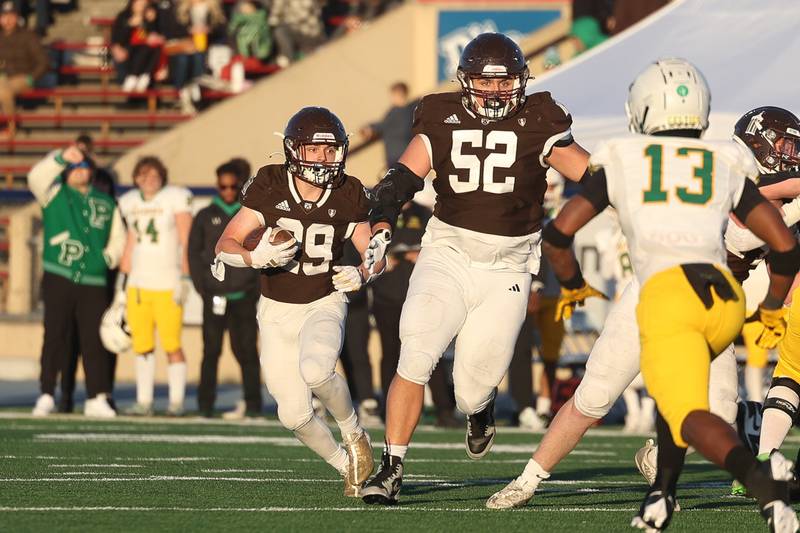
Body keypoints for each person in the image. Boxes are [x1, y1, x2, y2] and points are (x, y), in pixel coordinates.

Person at [485, 102, 800, 511]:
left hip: (711, 308)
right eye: (789, 149)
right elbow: (747, 211)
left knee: (721, 411)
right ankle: (527, 480)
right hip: (655, 294)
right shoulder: (727, 171)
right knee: (594, 397)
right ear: (763, 145)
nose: (794, 158)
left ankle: (657, 456)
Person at [359, 33, 591, 505]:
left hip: (509, 265)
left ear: (519, 81)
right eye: (484, 80)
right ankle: (392, 467)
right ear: (466, 81)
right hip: (447, 253)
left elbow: (593, 177)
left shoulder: (541, 117)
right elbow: (403, 176)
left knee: (470, 389)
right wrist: (381, 216)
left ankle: (478, 409)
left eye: (503, 80)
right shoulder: (439, 115)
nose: (493, 90)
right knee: (416, 350)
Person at [213, 106, 382, 496]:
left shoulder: (349, 191)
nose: (324, 158)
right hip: (275, 311)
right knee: (291, 414)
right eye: (314, 149)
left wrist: (362, 272)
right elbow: (226, 243)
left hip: (323, 300)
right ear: (293, 150)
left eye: (330, 149)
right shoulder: (270, 185)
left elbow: (374, 251)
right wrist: (255, 257)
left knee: (317, 370)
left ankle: (356, 435)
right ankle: (348, 465)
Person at [28, 144, 126, 418]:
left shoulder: (106, 202)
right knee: (55, 336)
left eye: (84, 167)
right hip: (59, 274)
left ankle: (97, 395)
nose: (79, 172)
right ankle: (47, 392)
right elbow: (35, 177)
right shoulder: (54, 193)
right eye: (74, 168)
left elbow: (119, 236)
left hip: (93, 279)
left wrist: (107, 259)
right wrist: (60, 158)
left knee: (94, 340)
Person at [370, 200, 459, 428]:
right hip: (386, 296)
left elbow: (436, 245)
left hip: (419, 295)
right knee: (390, 355)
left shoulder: (425, 213)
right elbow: (372, 247)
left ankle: (444, 409)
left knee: (429, 354)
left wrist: (414, 253)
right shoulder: (380, 211)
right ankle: (387, 409)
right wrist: (395, 256)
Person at [118, 156, 193, 416]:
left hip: (167, 282)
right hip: (138, 284)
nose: (148, 180)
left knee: (172, 343)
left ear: (162, 176)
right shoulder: (129, 202)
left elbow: (187, 239)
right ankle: (144, 400)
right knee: (142, 345)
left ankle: (176, 401)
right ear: (136, 177)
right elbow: (130, 243)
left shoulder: (175, 197)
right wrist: (121, 283)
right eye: (143, 175)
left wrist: (185, 277)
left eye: (154, 175)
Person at [188, 159, 262, 418]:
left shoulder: (250, 216)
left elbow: (261, 252)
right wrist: (204, 287)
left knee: (247, 351)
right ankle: (205, 404)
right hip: (215, 296)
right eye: (224, 186)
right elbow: (194, 255)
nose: (229, 191)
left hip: (243, 296)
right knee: (211, 351)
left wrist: (254, 289)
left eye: (234, 186)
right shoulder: (206, 216)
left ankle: (253, 404)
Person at [0, 1, 48, 134]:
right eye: (4, 16)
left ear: (17, 17)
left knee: (3, 91)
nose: (7, 20)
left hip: (22, 78)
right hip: (2, 78)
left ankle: (11, 127)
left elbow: (43, 62)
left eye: (11, 16)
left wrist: (31, 78)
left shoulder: (28, 36)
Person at [111, 0, 165, 92]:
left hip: (146, 52)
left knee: (153, 48)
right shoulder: (124, 16)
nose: (141, 7)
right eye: (139, 4)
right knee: (144, 49)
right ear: (132, 4)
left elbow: (157, 34)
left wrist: (151, 22)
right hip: (128, 49)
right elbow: (117, 39)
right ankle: (138, 76)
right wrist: (130, 25)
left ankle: (141, 76)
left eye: (144, 5)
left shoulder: (149, 17)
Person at [360, 82, 417, 168]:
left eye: (393, 95)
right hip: (407, 155)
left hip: (396, 156)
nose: (391, 99)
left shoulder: (396, 112)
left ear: (399, 94)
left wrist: (370, 128)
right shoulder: (412, 111)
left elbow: (383, 125)